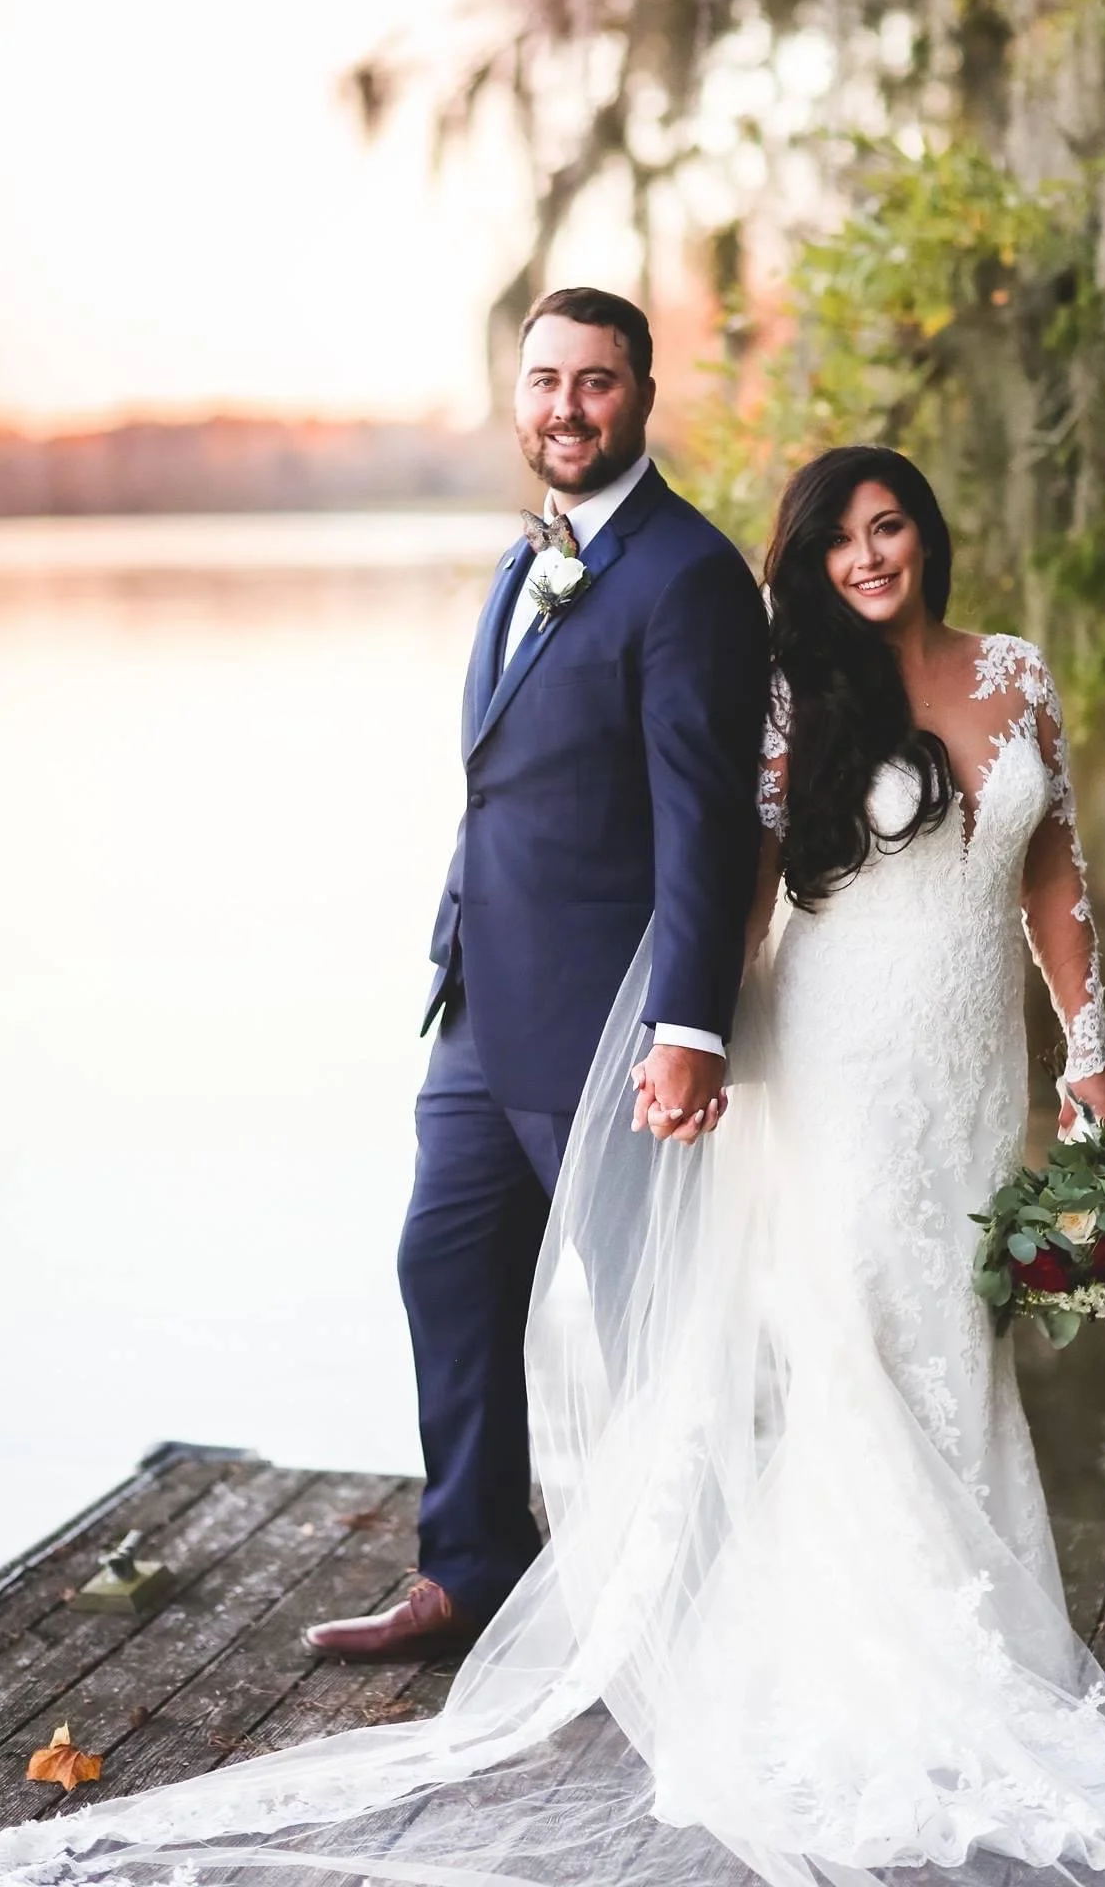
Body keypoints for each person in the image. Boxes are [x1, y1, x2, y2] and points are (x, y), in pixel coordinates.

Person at [0, 447, 1105, 1887]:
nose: (872, 557)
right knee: (850, 1343)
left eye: (891, 528)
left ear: (927, 535)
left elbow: (1055, 867)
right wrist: (693, 1039)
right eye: (842, 542)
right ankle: (852, 1661)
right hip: (832, 1063)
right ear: (813, 566)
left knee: (952, 1330)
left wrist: (1090, 1052)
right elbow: (742, 878)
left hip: (965, 1070)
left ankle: (984, 1630)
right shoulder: (798, 696)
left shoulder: (1018, 670)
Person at [303, 285, 770, 1662]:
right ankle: (471, 1572)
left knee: (636, 1324)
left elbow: (707, 820)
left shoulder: (687, 577)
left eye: (597, 383)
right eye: (546, 380)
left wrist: (688, 1024)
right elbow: (502, 783)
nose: (567, 407)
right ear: (519, 395)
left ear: (641, 394)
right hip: (477, 1005)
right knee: (444, 1266)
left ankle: (688, 1613)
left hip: (610, 1024)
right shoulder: (532, 559)